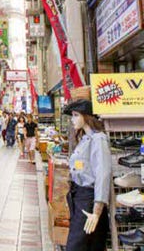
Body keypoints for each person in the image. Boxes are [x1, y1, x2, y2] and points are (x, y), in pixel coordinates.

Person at [63, 99, 111, 251]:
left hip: (88, 200)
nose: (73, 119)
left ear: (87, 116)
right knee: (87, 244)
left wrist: (97, 210)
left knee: (76, 245)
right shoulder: (85, 138)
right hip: (79, 197)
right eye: (73, 115)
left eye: (76, 115)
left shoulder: (99, 139)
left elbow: (103, 175)